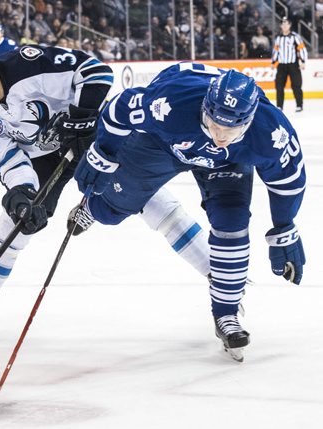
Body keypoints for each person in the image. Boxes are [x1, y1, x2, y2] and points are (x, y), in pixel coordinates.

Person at [0, 33, 211, 340]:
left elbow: (96, 73)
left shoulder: (27, 65)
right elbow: (11, 164)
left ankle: (219, 280)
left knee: (150, 200)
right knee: (14, 224)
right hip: (43, 159)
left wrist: (82, 117)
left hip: (93, 134)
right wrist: (22, 194)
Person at [73, 62, 306, 361]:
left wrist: (284, 227)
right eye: (214, 124)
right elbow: (119, 109)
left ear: (248, 122)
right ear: (205, 108)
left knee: (232, 223)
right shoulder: (171, 104)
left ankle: (226, 314)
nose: (220, 136)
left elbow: (287, 181)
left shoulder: (270, 131)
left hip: (226, 163)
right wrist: (102, 154)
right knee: (109, 212)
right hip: (162, 143)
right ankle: (101, 205)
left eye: (232, 129)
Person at [271, 16, 308, 112]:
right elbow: (276, 50)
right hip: (282, 65)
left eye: (286, 23)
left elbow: (302, 48)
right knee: (279, 86)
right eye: (282, 23)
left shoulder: (295, 37)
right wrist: (273, 62)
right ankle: (279, 106)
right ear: (280, 25)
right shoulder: (278, 38)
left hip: (293, 65)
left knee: (296, 85)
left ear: (290, 25)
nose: (284, 25)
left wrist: (303, 61)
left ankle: (299, 105)